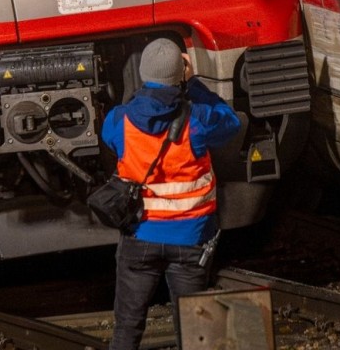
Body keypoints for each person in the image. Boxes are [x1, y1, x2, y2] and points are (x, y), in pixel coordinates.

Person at [101, 38, 241, 350]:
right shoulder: (199, 120)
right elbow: (230, 122)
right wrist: (193, 84)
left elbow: (112, 137)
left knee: (127, 327)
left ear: (142, 73)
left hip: (139, 238)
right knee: (197, 334)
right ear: (179, 75)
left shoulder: (119, 120)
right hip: (190, 239)